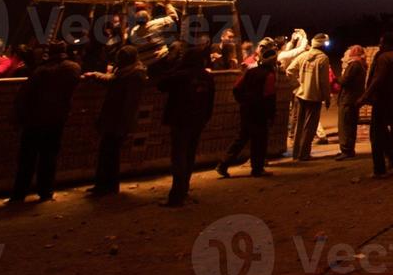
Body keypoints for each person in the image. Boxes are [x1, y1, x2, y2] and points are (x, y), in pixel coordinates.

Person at [8, 41, 82, 204]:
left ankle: (19, 194)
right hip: (57, 118)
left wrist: (18, 117)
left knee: (28, 158)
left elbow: (24, 95)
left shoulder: (42, 71)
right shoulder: (73, 69)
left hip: (35, 118)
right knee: (49, 156)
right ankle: (46, 191)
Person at [156, 38, 215, 207]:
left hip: (180, 119)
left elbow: (161, 84)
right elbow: (211, 100)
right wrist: (206, 117)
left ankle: (176, 195)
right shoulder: (207, 77)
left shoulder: (181, 75)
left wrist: (176, 66)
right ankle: (184, 190)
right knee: (189, 155)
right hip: (198, 120)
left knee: (179, 156)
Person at [86, 45, 145, 196]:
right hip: (118, 119)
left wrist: (95, 75)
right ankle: (108, 185)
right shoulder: (132, 72)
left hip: (117, 120)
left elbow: (115, 85)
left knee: (108, 153)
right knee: (110, 153)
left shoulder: (129, 75)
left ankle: (105, 186)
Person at [217, 42, 278, 178]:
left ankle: (223, 164)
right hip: (260, 112)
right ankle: (257, 169)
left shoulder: (250, 71)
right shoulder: (269, 75)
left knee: (242, 137)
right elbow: (269, 96)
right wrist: (271, 115)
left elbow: (236, 88)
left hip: (246, 109)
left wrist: (243, 101)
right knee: (260, 141)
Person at [361, 32, 393, 178]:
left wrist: (365, 96)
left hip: (383, 99)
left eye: (382, 43)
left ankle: (381, 167)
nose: (380, 45)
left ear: (388, 44)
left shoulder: (384, 57)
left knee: (376, 133)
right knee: (391, 130)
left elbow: (378, 79)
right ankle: (392, 154)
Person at [286, 34, 331, 161]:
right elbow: (324, 81)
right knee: (309, 127)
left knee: (299, 125)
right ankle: (304, 154)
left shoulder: (303, 56)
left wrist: (297, 85)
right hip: (314, 97)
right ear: (322, 45)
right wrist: (327, 97)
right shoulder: (323, 59)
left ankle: (296, 153)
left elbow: (289, 70)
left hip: (300, 95)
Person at [334, 45, 367, 160]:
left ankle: (346, 150)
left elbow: (345, 80)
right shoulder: (362, 64)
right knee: (350, 125)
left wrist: (335, 78)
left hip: (348, 99)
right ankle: (348, 149)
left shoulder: (354, 65)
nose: (346, 56)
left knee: (345, 125)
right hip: (353, 99)